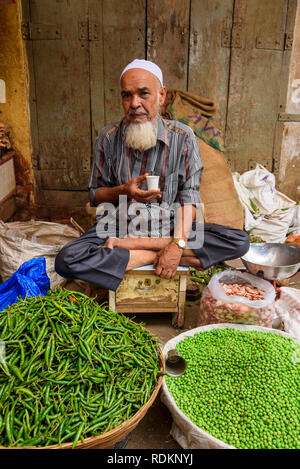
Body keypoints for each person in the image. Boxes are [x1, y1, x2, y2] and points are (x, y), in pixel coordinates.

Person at [55, 59, 249, 291]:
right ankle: (153, 255)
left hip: (168, 227)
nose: (134, 103)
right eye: (127, 96)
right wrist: (124, 190)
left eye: (143, 94)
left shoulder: (183, 137)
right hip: (119, 226)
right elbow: (96, 195)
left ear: (162, 95)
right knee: (66, 259)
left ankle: (139, 250)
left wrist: (176, 245)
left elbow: (189, 198)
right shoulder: (108, 138)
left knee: (239, 241)